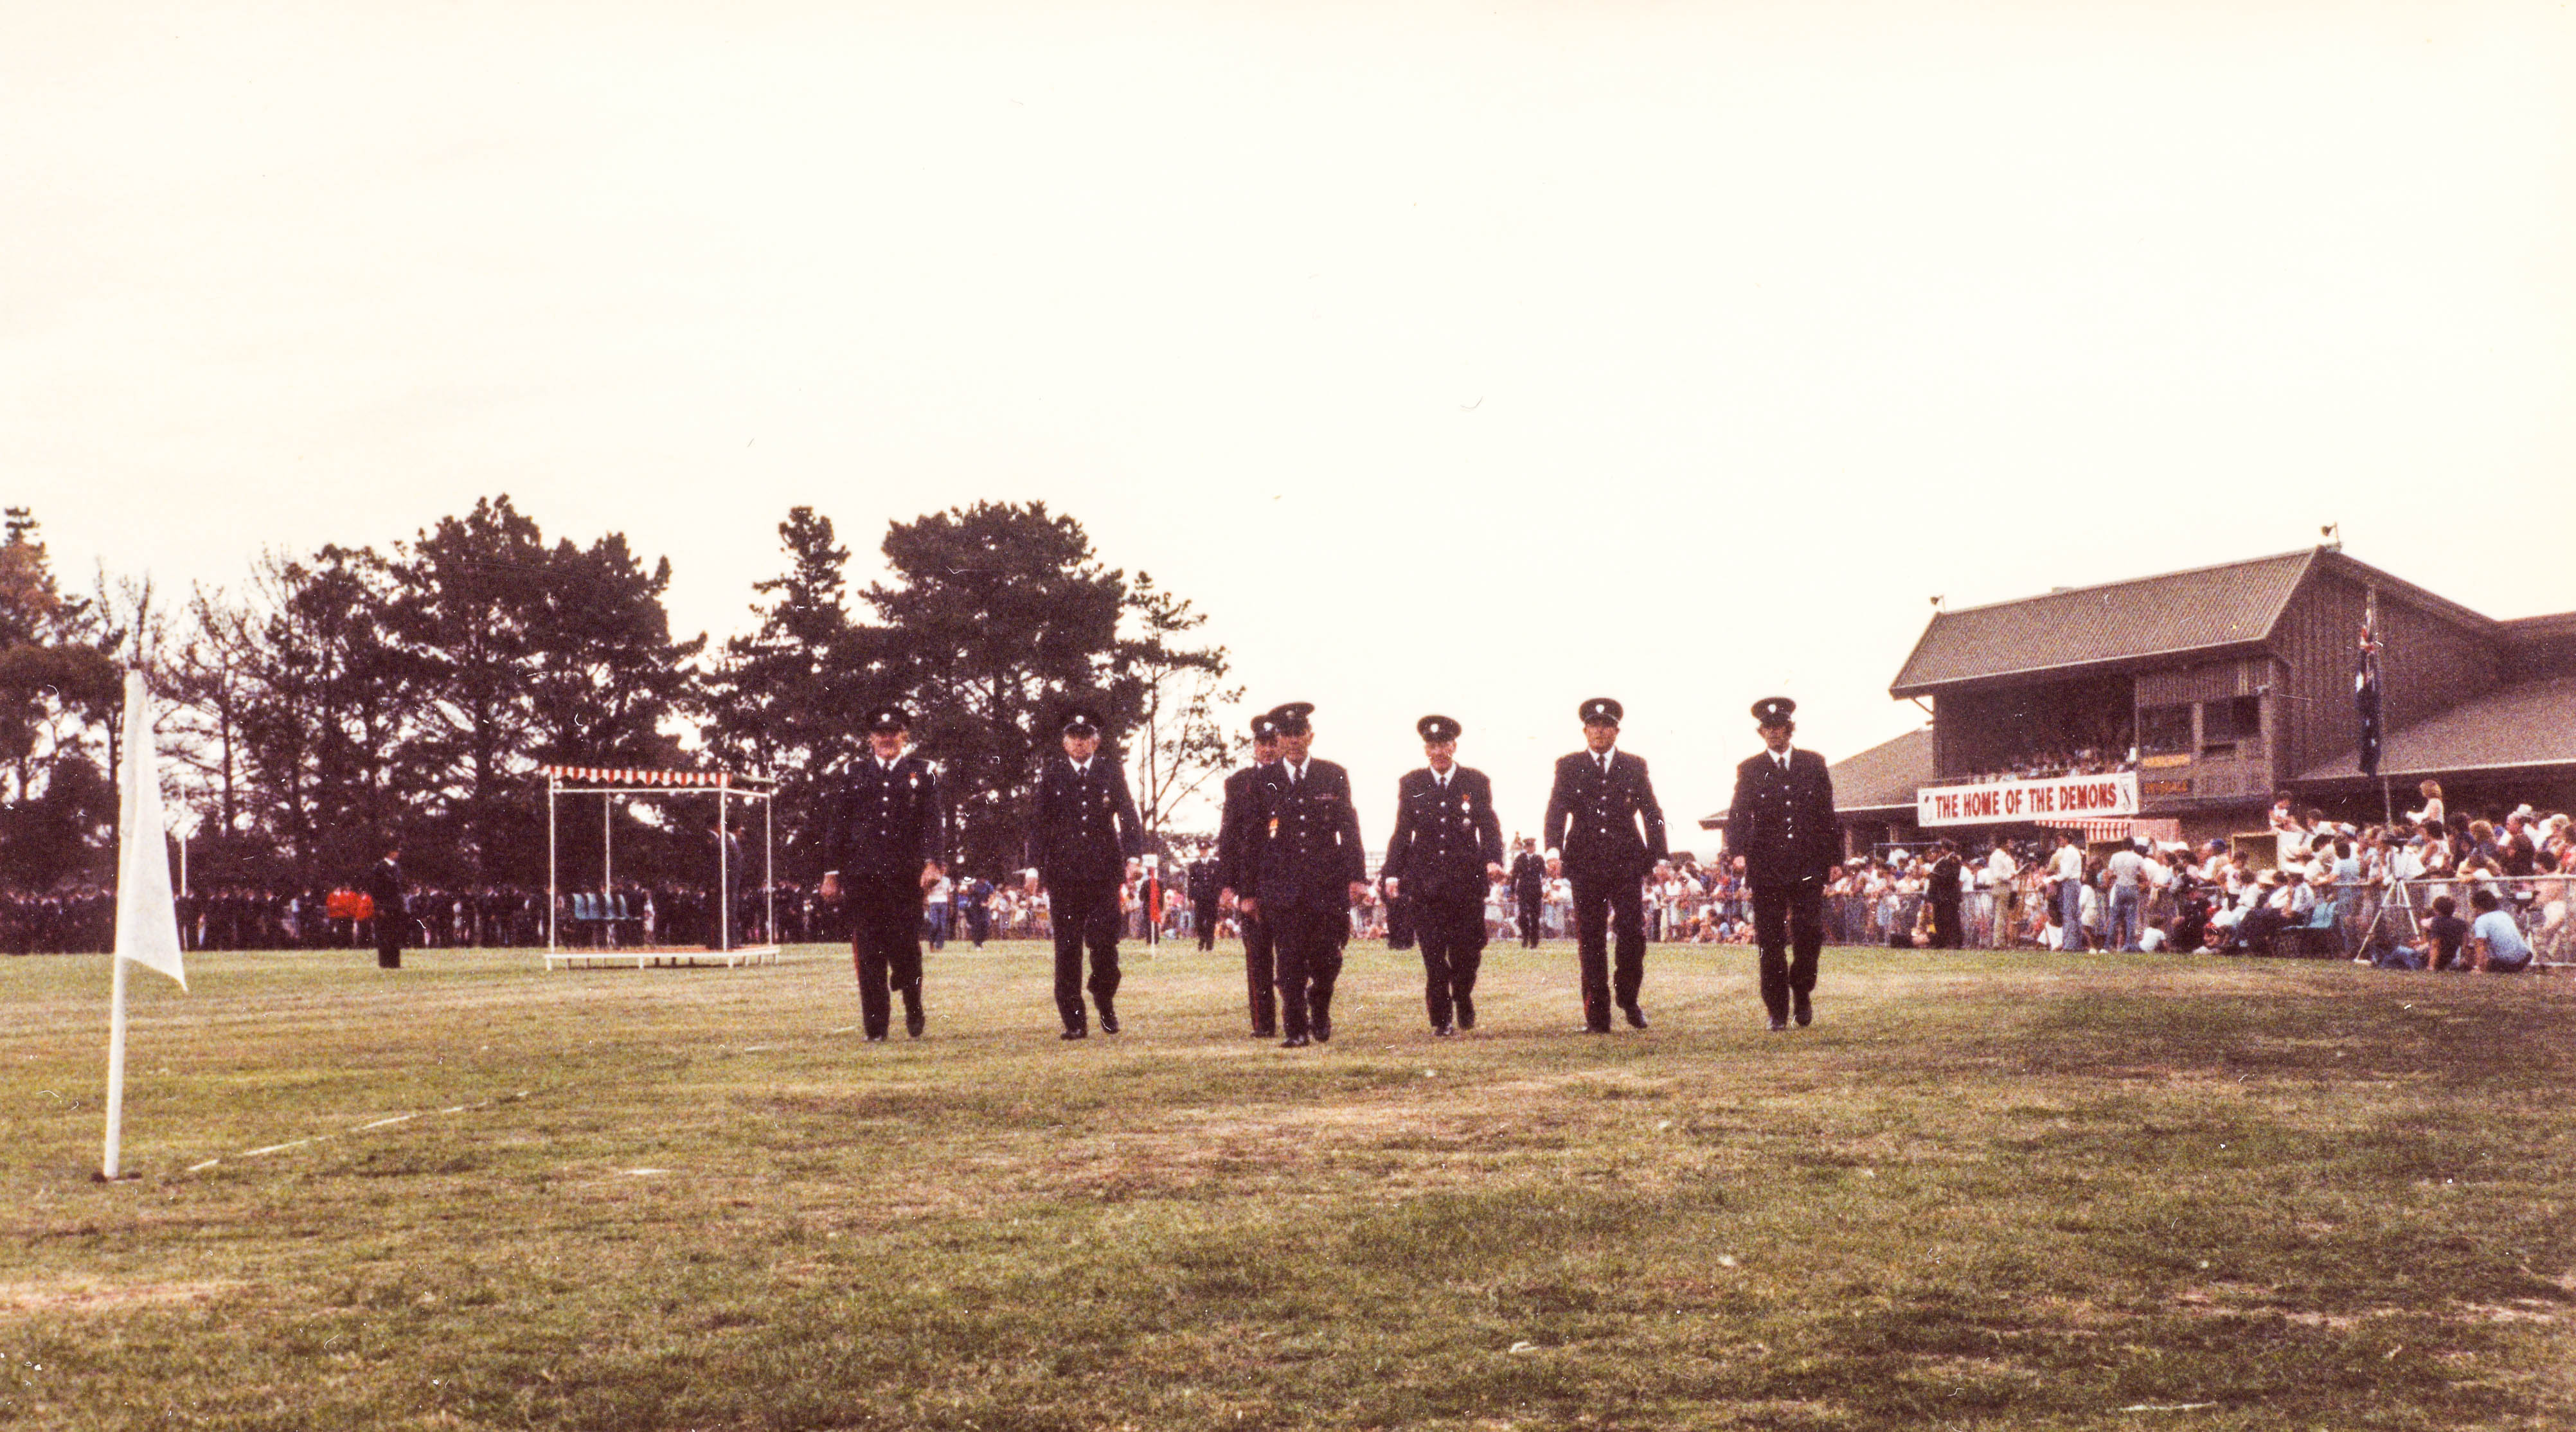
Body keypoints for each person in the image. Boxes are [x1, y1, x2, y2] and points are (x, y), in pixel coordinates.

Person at [1234, 703, 1367, 1048]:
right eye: (1286, 735)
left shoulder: (1332, 774)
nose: (1293, 741)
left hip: (1326, 885)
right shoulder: (1262, 782)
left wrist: (1357, 877)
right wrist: (1247, 892)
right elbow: (1252, 840)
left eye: (1299, 734)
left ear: (1310, 736)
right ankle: (1295, 1028)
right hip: (1282, 887)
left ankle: (1319, 1006)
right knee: (1289, 959)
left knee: (1328, 958)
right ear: (1277, 739)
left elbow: (1349, 829)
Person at [813, 705, 947, 1041]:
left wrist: (934, 862)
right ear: (870, 738)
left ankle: (914, 1005)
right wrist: (831, 874)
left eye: (894, 733)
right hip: (863, 878)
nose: (887, 740)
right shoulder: (852, 773)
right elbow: (838, 827)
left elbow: (934, 821)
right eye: (880, 734)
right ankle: (876, 1029)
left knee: (906, 952)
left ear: (905, 736)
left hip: (905, 879)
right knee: (869, 953)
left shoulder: (924, 771)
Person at [1544, 697, 1670, 1032]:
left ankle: (1628, 998)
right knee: (1591, 940)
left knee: (1632, 934)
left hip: (1626, 861)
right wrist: (1553, 850)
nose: (1599, 731)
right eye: (1593, 726)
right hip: (1585, 862)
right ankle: (1597, 1017)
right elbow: (1557, 810)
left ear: (1616, 730)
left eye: (1606, 725)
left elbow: (1652, 814)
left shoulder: (1633, 765)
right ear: (1585, 730)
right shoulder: (1569, 766)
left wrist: (1660, 857)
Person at [1380, 715, 1507, 1037]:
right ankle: (1442, 1018)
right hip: (1426, 885)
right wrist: (1392, 873)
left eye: (1444, 744)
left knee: (1468, 954)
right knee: (1434, 956)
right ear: (1426, 749)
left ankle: (1462, 994)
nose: (1438, 751)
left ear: (1454, 746)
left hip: (1465, 884)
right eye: (1432, 745)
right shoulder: (1413, 784)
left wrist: (1493, 860)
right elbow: (1402, 832)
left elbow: (1489, 827)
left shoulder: (1475, 782)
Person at [1028, 704, 1147, 1039]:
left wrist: (1134, 856)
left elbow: (1128, 814)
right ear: (1065, 742)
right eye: (1073, 737)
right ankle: (1074, 1021)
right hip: (1064, 875)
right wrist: (1033, 867)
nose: (1079, 744)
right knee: (1067, 950)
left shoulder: (1110, 771)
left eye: (1086, 737)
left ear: (1096, 741)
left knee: (1105, 945)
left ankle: (1104, 996)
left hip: (1103, 873)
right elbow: (1039, 823)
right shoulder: (1052, 774)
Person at [1726, 697, 1840, 1030]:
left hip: (1807, 863)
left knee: (1809, 934)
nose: (1774, 734)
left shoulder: (1813, 764)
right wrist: (1738, 850)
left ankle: (1801, 990)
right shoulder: (1750, 769)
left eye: (1780, 727)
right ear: (1761, 732)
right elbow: (1738, 813)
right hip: (1767, 867)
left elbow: (1826, 815)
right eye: (1768, 729)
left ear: (1790, 729)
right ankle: (1777, 1008)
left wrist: (1834, 858)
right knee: (1770, 941)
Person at [1217, 713, 1285, 1037]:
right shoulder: (1238, 783)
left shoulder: (1294, 778)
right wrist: (1230, 884)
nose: (1268, 750)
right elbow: (1229, 837)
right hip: (1252, 881)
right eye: (1262, 744)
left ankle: (1297, 1014)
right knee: (1257, 958)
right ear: (1254, 746)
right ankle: (1263, 1024)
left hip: (1289, 881)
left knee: (1291, 957)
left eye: (1273, 743)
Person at [2466, 887, 2533, 973]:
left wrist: (2479, 967)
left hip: (2509, 963)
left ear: (2478, 907)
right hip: (2525, 957)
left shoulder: (2481, 920)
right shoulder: (2504, 914)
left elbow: (2480, 945)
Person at [2106, 837, 2149, 952]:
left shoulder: (2115, 856)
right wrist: (2137, 877)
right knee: (2131, 918)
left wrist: (2115, 878)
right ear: (2133, 846)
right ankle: (2129, 945)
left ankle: (2108, 944)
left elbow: (2110, 874)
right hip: (2132, 887)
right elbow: (2145, 876)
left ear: (2123, 845)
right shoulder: (2137, 858)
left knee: (2114, 917)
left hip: (2120, 887)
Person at [368, 843, 406, 970]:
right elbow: (375, 890)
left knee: (395, 935)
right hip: (385, 907)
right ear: (390, 852)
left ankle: (395, 963)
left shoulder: (397, 868)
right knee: (384, 935)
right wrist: (379, 908)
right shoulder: (380, 868)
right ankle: (385, 963)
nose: (398, 854)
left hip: (396, 907)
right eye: (396, 851)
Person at [1925, 839, 1964, 949]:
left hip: (1950, 895)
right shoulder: (1943, 861)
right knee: (1940, 919)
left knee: (1952, 919)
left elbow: (1951, 877)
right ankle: (1942, 941)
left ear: (1944, 849)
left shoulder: (1953, 859)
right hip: (1941, 895)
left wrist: (1934, 876)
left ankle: (1955, 942)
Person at [1510, 837, 1548, 948]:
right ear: (1525, 847)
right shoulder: (1520, 858)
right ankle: (1525, 937)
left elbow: (1544, 872)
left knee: (1535, 917)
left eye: (1532, 846)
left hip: (1536, 890)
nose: (1531, 848)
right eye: (1529, 846)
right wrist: (1512, 891)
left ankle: (1534, 941)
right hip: (1523, 890)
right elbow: (1514, 875)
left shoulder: (1539, 859)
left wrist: (1545, 878)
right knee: (1523, 915)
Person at [1188, 850, 1223, 952]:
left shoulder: (1215, 864)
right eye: (1201, 850)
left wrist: (1219, 895)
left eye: (1205, 850)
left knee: (1211, 921)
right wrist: (1191, 897)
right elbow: (1191, 882)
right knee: (1199, 920)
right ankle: (1202, 938)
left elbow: (1219, 881)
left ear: (1208, 850)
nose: (1203, 852)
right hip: (1200, 897)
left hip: (1212, 897)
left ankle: (1209, 945)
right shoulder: (1195, 865)